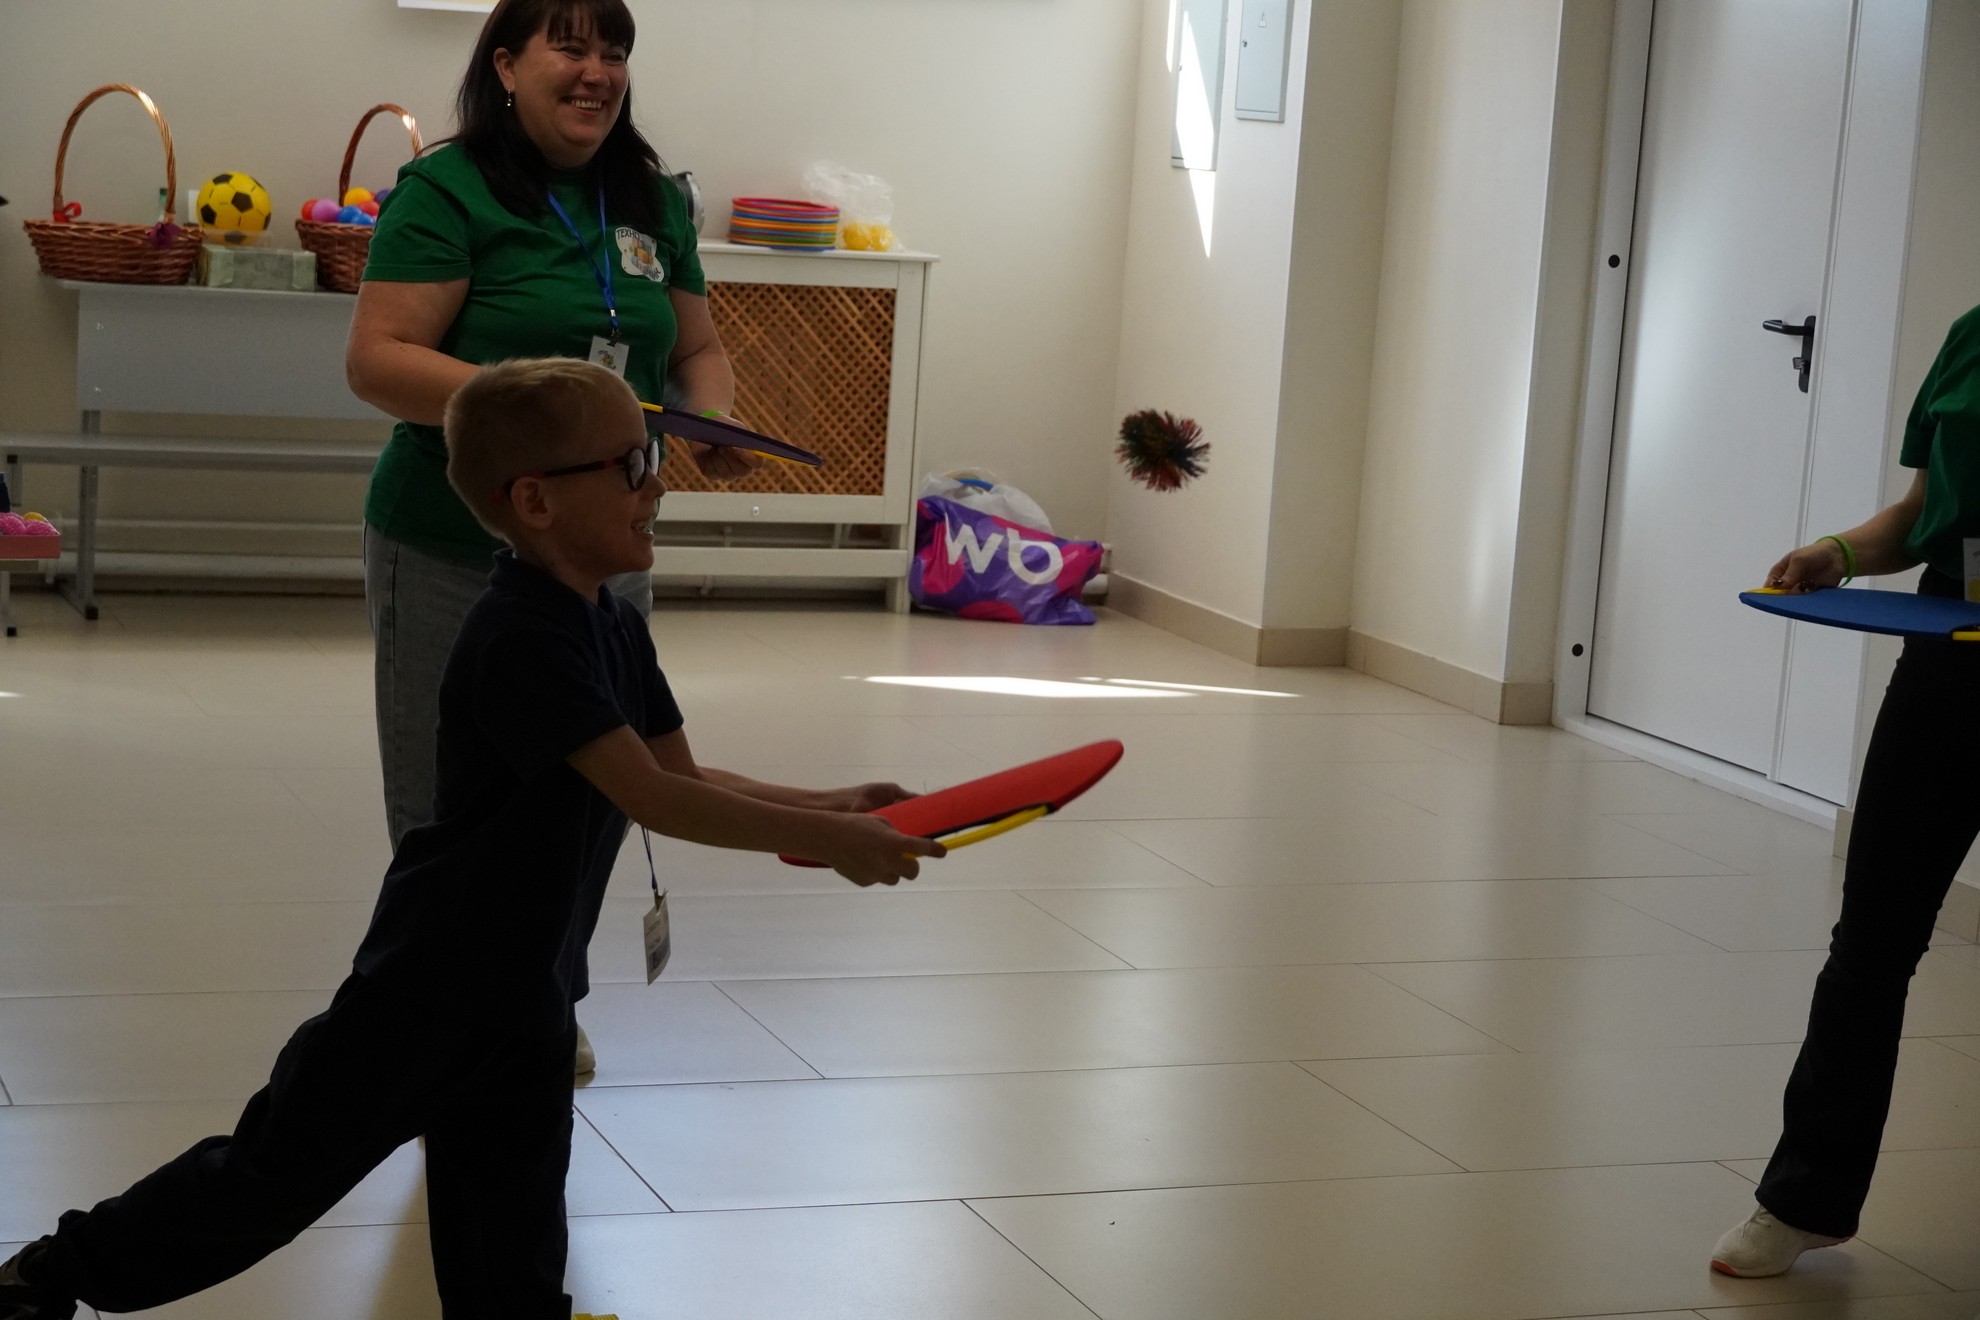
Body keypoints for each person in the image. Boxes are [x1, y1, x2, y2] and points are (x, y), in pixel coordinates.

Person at [0, 359, 941, 1320]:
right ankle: (50, 1274)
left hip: (532, 988)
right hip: (432, 987)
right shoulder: (521, 635)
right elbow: (654, 799)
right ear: (534, 501)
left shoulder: (612, 624)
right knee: (268, 1182)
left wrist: (834, 806)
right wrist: (830, 840)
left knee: (513, 1222)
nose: (658, 483)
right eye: (631, 464)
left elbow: (685, 775)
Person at [346, 0, 758, 1074]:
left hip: (597, 555)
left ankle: (538, 998)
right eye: (570, 46)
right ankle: (436, 1021)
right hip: (448, 543)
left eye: (614, 51)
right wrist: (541, 414)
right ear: (506, 64)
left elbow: (696, 348)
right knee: (451, 809)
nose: (596, 71)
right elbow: (380, 359)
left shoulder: (651, 197)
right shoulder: (447, 188)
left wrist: (710, 416)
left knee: (590, 801)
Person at [1711, 306, 1980, 1277]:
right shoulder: (1970, 339)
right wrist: (1843, 552)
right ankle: (1805, 1201)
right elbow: (1922, 513)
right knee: (1871, 940)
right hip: (1953, 648)